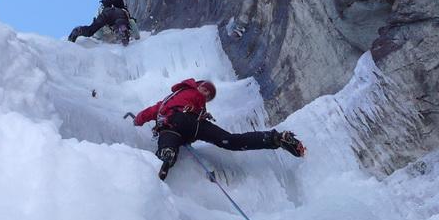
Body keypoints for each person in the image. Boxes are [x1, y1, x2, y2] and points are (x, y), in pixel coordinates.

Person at [127, 78, 306, 180]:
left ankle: (166, 156)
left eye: (208, 95)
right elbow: (151, 111)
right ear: (197, 85)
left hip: (175, 122)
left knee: (168, 141)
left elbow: (149, 113)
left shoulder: (168, 102)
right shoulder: (193, 99)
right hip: (193, 124)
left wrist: (137, 121)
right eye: (205, 90)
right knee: (231, 141)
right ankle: (274, 138)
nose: (205, 94)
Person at [68, 0, 135, 45]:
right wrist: (136, 36)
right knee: (121, 22)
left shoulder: (105, 5)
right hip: (120, 14)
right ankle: (123, 31)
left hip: (105, 14)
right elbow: (135, 31)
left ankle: (79, 30)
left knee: (90, 30)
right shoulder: (122, 8)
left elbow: (99, 29)